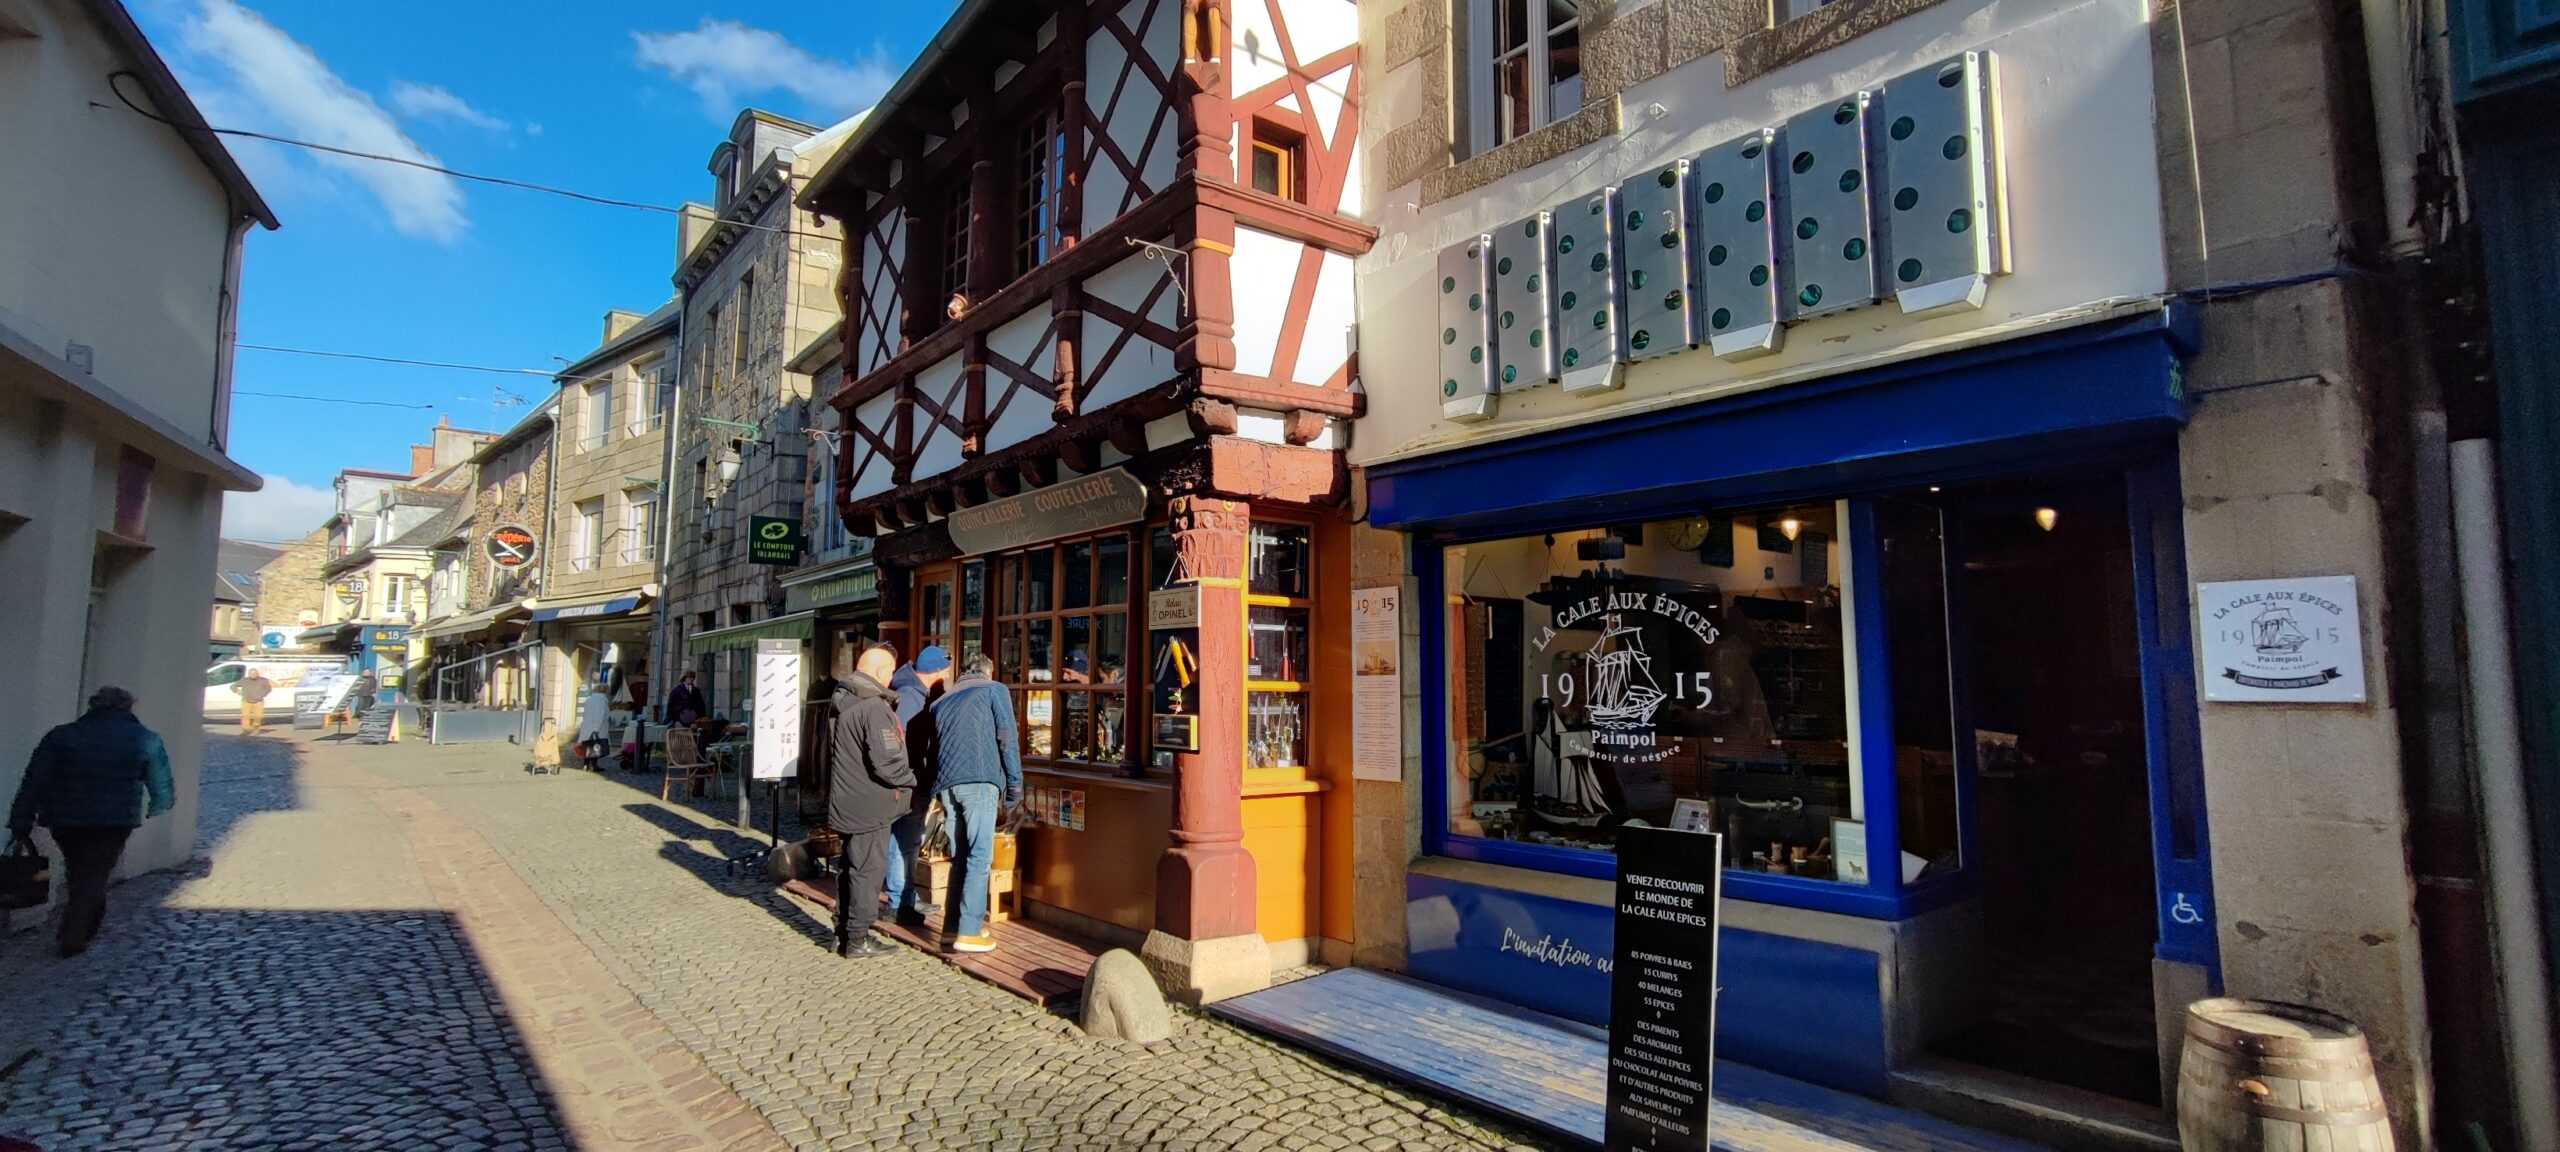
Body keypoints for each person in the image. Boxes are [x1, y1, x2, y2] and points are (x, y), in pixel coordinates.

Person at [7, 687, 174, 957]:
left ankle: (79, 926)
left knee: (80, 871)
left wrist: (21, 818)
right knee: (95, 873)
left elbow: (34, 780)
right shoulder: (143, 738)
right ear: (128, 707)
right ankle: (76, 932)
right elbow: (159, 776)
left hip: (65, 818)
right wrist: (160, 803)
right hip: (115, 819)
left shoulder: (61, 736)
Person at [927, 652, 1022, 953]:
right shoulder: (994, 690)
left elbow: (933, 747)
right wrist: (1016, 784)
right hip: (979, 780)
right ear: (988, 672)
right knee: (980, 856)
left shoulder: (940, 703)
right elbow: (1007, 737)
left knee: (961, 857)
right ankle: (969, 931)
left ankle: (951, 928)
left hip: (947, 785)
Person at [827, 645, 912, 959]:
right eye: (889, 672)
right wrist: (910, 779)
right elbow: (887, 761)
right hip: (869, 802)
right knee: (867, 871)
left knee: (850, 868)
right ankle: (858, 938)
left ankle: (843, 933)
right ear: (878, 672)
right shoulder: (873, 706)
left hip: (848, 798)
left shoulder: (843, 697)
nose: (890, 679)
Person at [884, 646, 951, 925]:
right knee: (904, 840)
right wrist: (910, 775)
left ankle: (905, 896)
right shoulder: (912, 696)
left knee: (907, 839)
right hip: (910, 779)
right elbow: (898, 739)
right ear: (935, 672)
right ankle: (899, 901)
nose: (948, 674)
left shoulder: (913, 690)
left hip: (911, 777)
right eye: (945, 669)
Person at [233, 668, 273, 736]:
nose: (253, 675)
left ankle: (256, 726)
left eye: (254, 673)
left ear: (257, 674)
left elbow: (269, 688)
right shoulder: (244, 680)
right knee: (245, 716)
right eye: (251, 673)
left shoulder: (263, 680)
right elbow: (233, 686)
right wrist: (237, 691)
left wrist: (262, 695)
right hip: (246, 701)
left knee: (259, 716)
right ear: (249, 674)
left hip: (258, 701)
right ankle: (245, 730)